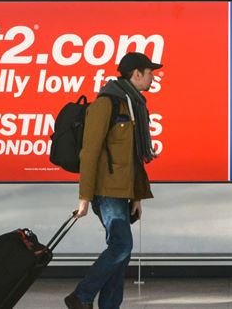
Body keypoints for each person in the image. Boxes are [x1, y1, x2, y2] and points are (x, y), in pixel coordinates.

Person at [65, 52, 161, 309]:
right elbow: (90, 152)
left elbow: (134, 156)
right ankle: (81, 296)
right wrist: (84, 197)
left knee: (122, 252)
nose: (153, 76)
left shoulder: (135, 105)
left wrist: (137, 196)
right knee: (121, 245)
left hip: (124, 192)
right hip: (106, 191)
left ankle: (109, 306)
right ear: (136, 74)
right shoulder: (106, 104)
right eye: (149, 71)